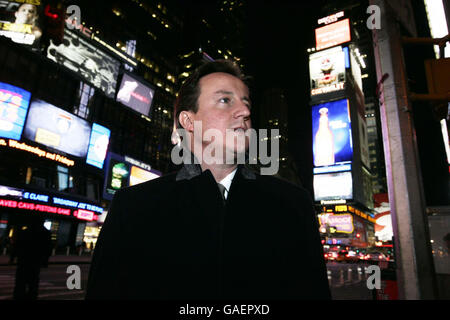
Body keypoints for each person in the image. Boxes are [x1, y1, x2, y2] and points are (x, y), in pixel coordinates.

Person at [86, 60, 331, 300]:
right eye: (225, 100)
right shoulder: (132, 207)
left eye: (246, 103)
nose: (245, 111)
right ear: (188, 121)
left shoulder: (293, 205)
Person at [13, 216, 52, 300]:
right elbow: (48, 248)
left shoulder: (25, 231)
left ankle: (19, 296)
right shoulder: (45, 233)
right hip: (35, 261)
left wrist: (13, 257)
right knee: (33, 283)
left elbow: (17, 245)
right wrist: (45, 261)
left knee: (20, 282)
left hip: (24, 260)